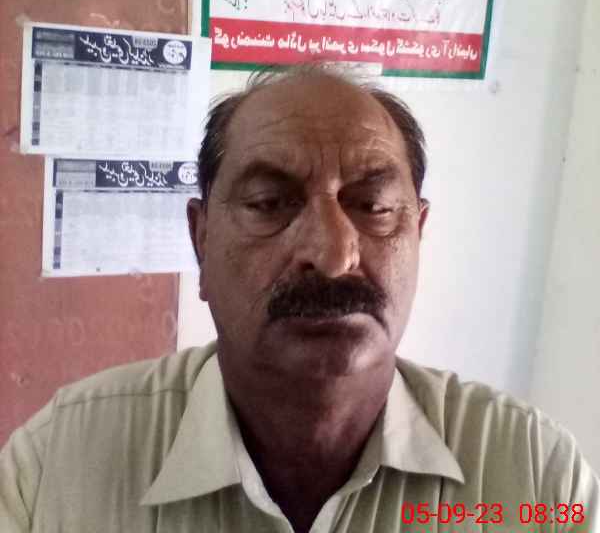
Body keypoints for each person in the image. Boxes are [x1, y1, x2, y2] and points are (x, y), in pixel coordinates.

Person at [1, 65, 598, 533]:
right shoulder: (54, 468)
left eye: (373, 207)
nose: (333, 255)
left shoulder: (535, 479)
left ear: (418, 233)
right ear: (201, 240)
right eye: (269, 203)